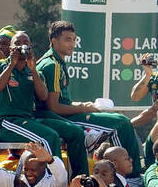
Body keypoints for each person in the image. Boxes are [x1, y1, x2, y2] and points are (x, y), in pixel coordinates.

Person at [37, 21, 141, 171]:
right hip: (56, 118)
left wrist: (84, 105)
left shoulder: (57, 62)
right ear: (54, 41)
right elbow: (53, 107)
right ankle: (130, 179)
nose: (72, 44)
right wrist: (82, 108)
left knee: (118, 118)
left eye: (74, 39)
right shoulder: (52, 65)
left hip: (63, 115)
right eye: (67, 39)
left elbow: (63, 101)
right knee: (121, 124)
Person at [0, 31, 63, 168]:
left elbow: (44, 96)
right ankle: (55, 179)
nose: (22, 47)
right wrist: (11, 64)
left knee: (64, 134)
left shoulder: (34, 70)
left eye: (25, 44)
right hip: (7, 121)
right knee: (48, 137)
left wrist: (33, 70)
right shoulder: (0, 65)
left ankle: (63, 177)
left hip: (28, 120)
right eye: (17, 44)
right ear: (11, 49)